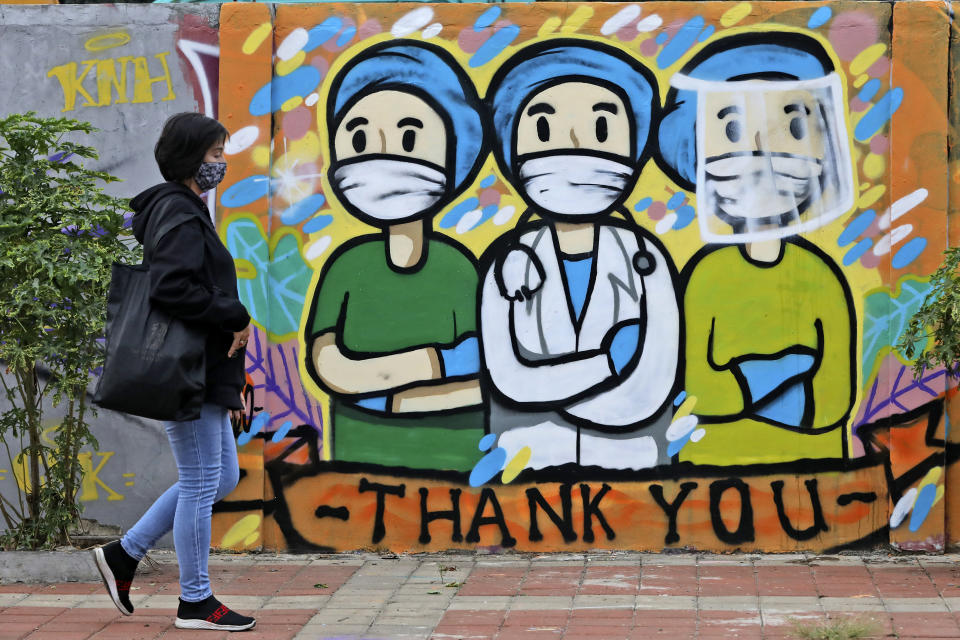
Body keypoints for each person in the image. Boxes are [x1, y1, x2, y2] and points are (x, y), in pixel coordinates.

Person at [479, 39, 681, 470]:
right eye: (544, 130)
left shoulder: (647, 260)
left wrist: (555, 390)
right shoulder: (506, 264)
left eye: (602, 130)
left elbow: (652, 385)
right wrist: (608, 363)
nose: (574, 147)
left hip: (631, 461)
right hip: (525, 463)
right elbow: (508, 379)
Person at [658, 32, 857, 465]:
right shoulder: (705, 276)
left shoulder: (821, 275)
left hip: (815, 474)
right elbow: (698, 393)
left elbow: (835, 399)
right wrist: (787, 368)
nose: (765, 154)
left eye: (794, 127)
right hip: (712, 472)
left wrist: (744, 387)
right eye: (732, 129)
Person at [92, 113, 256, 632]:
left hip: (201, 370)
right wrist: (233, 315)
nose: (220, 164)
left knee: (219, 476)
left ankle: (126, 553)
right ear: (190, 159)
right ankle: (195, 601)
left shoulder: (181, 210)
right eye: (213, 155)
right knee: (202, 479)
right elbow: (170, 288)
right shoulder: (181, 216)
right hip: (186, 372)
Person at [303, 41, 487, 471]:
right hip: (357, 457)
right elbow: (330, 367)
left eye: (409, 137)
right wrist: (436, 364)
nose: (383, 154)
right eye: (361, 137)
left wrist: (389, 396)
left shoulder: (458, 266)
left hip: (458, 460)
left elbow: (487, 374)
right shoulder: (348, 265)